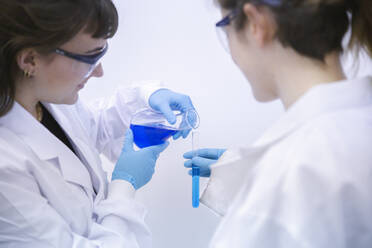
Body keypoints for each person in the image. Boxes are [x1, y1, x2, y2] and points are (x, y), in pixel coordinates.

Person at [0, 0, 195, 247]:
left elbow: (91, 127)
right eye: (90, 57)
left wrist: (147, 97)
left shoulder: (45, 100)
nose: (99, 71)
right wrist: (123, 188)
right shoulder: (5, 170)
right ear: (30, 60)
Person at [184, 0, 372, 247]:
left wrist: (261, 194)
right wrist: (249, 178)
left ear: (256, 23)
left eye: (225, 26)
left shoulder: (286, 179)